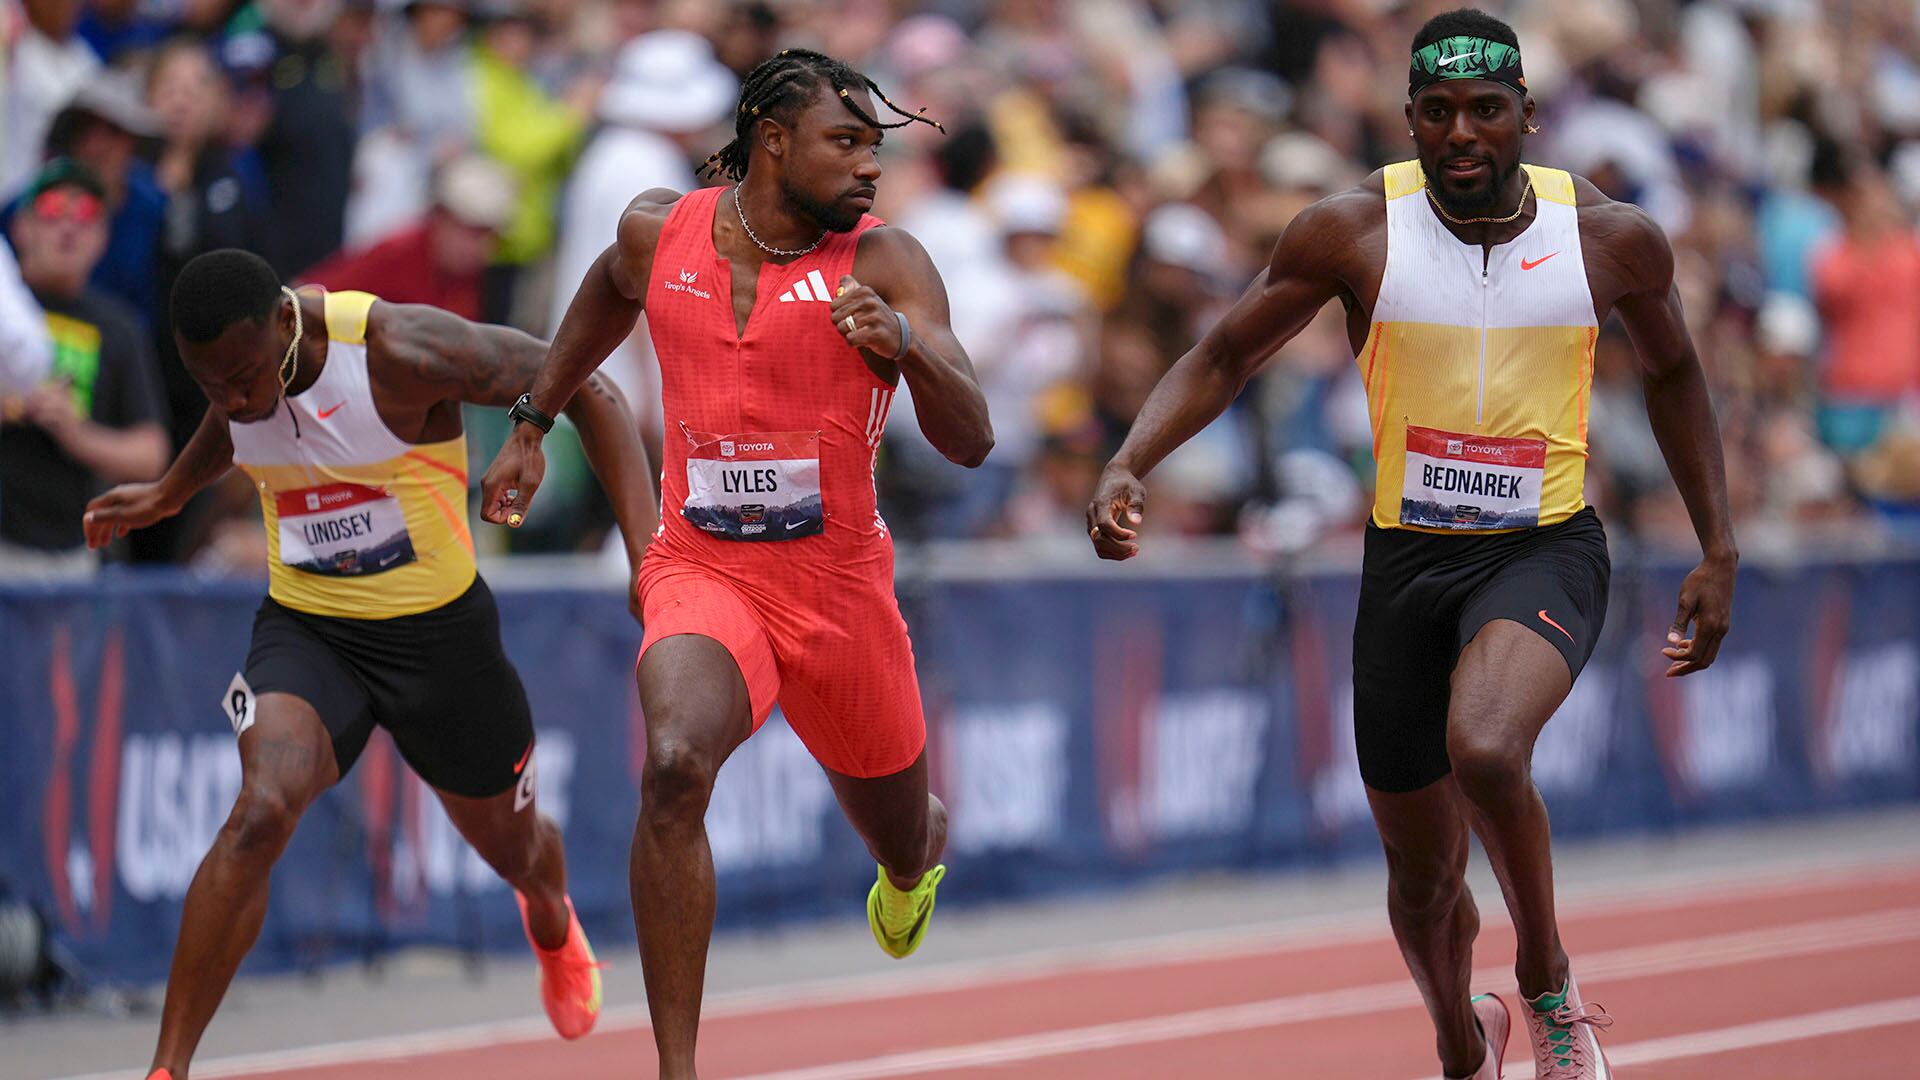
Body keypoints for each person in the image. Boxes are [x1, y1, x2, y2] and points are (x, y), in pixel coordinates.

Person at [1087, 11, 1736, 1080]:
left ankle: (1545, 981)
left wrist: (1718, 544)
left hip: (1543, 548)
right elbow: (1224, 354)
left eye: (1487, 110)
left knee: (1485, 747)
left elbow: (1672, 374)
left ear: (1527, 112)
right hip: (1405, 567)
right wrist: (1129, 460)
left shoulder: (1609, 237)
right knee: (1423, 879)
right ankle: (1457, 1036)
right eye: (1437, 113)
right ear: (1409, 121)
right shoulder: (1352, 232)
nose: (1463, 134)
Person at [479, 48, 992, 1079]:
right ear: (773, 142)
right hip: (703, 570)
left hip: (841, 592)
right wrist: (534, 418)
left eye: (875, 148)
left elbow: (972, 438)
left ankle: (909, 860)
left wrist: (906, 345)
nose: (869, 168)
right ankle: (678, 1069)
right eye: (845, 144)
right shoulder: (656, 231)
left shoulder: (887, 263)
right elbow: (603, 295)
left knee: (899, 833)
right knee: (673, 768)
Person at [81, 247, 658, 1080]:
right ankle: (168, 1068)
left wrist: (647, 558)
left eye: (244, 376)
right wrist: (171, 492)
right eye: (212, 386)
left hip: (441, 643)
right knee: (259, 813)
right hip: (312, 632)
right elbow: (235, 422)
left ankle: (551, 916)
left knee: (517, 850)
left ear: (285, 321)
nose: (236, 400)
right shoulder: (241, 375)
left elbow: (592, 391)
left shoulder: (399, 349)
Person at [0, 160, 168, 575]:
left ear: (103, 237)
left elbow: (151, 454)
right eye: (54, 210)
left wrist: (78, 435)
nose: (70, 226)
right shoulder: (6, 307)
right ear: (22, 227)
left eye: (88, 214)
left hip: (73, 557)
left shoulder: (119, 328)